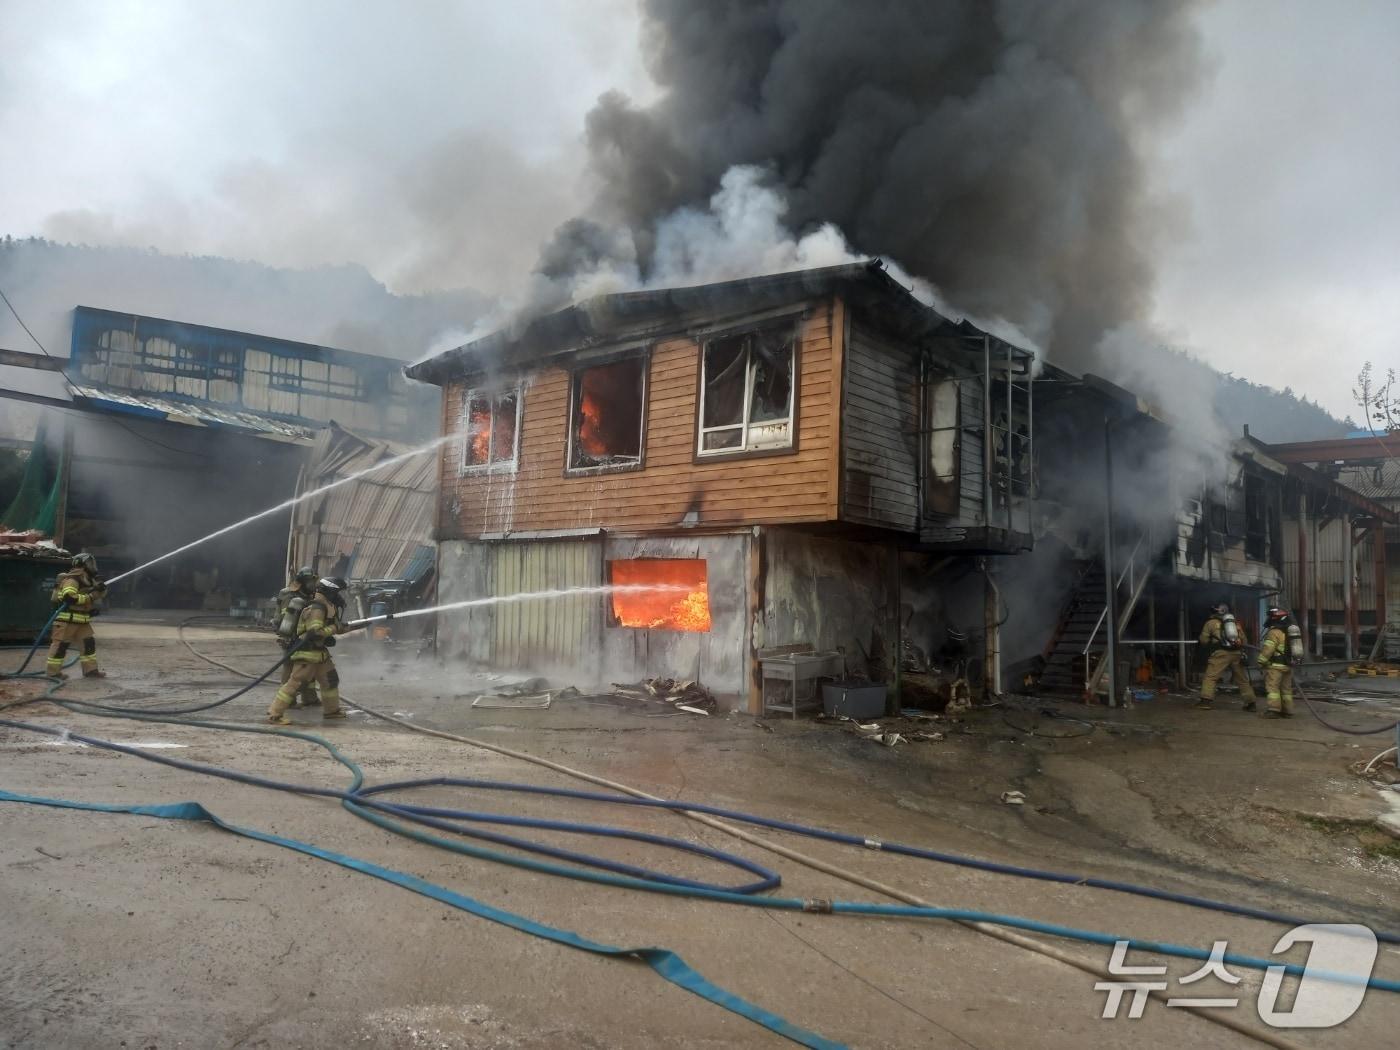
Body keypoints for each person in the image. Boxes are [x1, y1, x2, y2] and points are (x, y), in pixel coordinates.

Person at [267, 576, 349, 724]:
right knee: (297, 684)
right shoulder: (316, 608)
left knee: (330, 681)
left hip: (320, 654)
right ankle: (275, 714)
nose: (338, 596)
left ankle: (331, 711)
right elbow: (314, 632)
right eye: (336, 592)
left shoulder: (326, 606)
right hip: (308, 653)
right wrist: (335, 628)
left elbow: (333, 628)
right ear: (329, 591)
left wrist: (348, 627)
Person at [45, 553, 108, 680]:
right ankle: (53, 673)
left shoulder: (88, 580)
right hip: (66, 621)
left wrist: (101, 588)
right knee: (60, 647)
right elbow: (69, 597)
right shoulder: (73, 579)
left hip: (82, 621)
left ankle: (90, 670)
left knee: (88, 645)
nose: (93, 566)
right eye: (90, 563)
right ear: (82, 564)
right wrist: (89, 597)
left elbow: (99, 595)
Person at [1194, 602, 1256, 711]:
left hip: (1220, 654)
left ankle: (1205, 701)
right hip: (1237, 653)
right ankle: (1251, 704)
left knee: (1211, 677)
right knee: (1242, 680)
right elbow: (1244, 640)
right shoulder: (1235, 623)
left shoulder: (1211, 623)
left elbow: (1204, 640)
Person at [275, 566, 320, 708]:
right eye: (309, 581)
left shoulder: (307, 594)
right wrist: (290, 637)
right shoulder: (290, 596)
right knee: (289, 670)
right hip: (290, 636)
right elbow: (285, 619)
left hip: (303, 635)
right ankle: (287, 701)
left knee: (309, 667)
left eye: (313, 581)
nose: (312, 585)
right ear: (302, 582)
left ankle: (309, 698)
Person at [1257, 606, 1298, 719]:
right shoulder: (1290, 631)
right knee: (1286, 690)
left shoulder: (1274, 632)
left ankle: (1273, 710)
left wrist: (1260, 662)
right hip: (1288, 665)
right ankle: (1288, 711)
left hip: (1276, 666)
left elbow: (1268, 650)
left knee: (1272, 688)